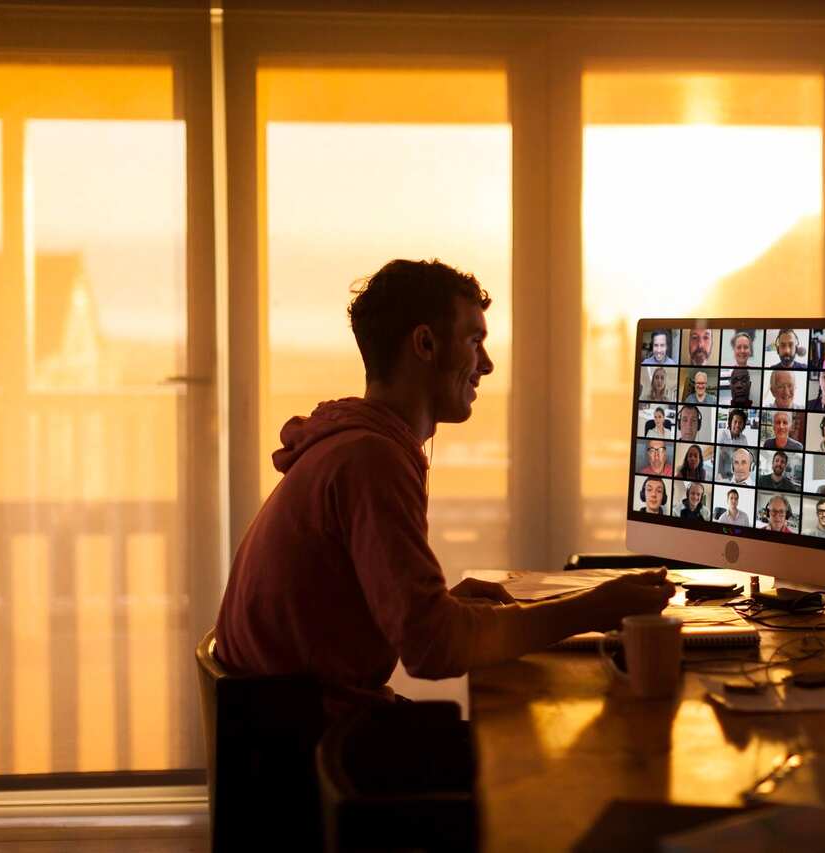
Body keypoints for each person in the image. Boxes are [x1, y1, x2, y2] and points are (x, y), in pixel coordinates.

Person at [215, 259, 673, 714]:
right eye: (475, 341)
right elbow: (431, 647)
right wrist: (593, 609)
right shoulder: (371, 461)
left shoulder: (351, 445)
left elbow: (377, 618)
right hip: (321, 753)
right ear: (426, 343)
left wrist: (446, 606)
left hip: (285, 733)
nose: (487, 365)